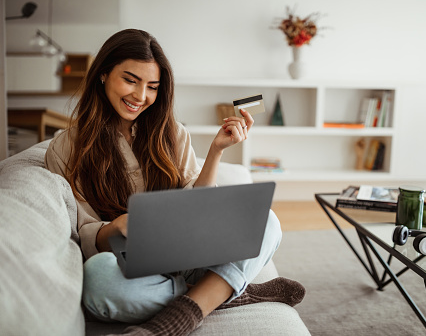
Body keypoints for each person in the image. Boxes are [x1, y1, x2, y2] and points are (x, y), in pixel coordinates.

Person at [44, 29, 305, 336]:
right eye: (130, 80)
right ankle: (222, 291)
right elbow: (82, 233)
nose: (141, 97)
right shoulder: (66, 148)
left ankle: (179, 316)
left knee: (265, 220)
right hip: (133, 268)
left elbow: (200, 203)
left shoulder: (173, 132)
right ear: (103, 74)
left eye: (152, 87)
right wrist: (113, 228)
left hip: (193, 253)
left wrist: (216, 150)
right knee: (99, 282)